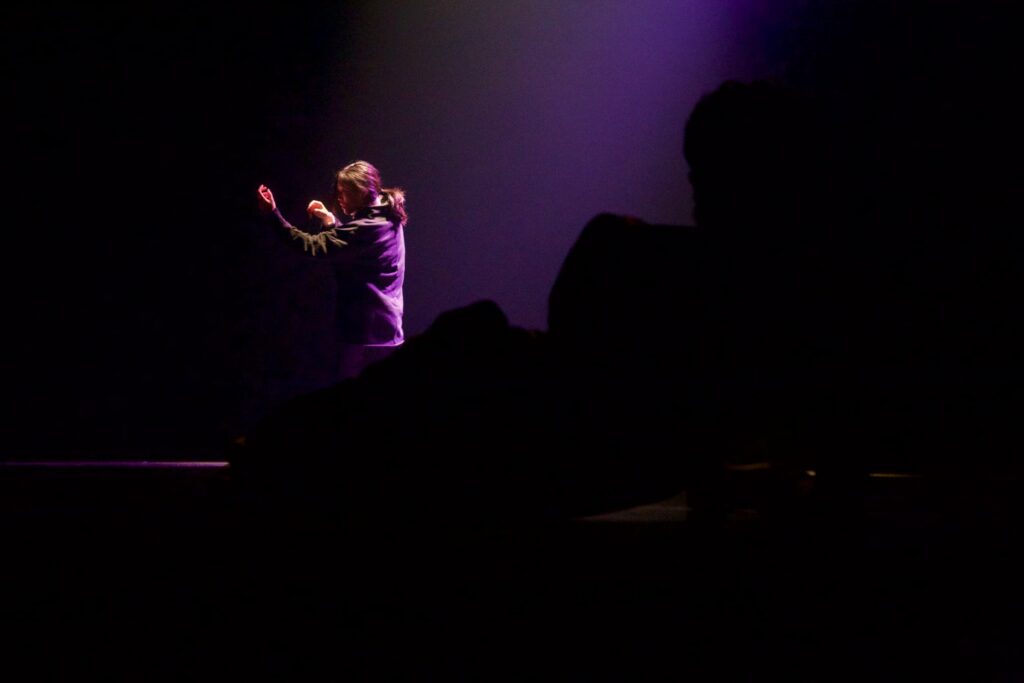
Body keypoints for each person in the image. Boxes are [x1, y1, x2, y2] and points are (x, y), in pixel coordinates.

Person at [258, 161, 407, 381]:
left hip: (364, 338)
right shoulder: (388, 216)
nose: (339, 199)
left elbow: (311, 245)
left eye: (343, 193)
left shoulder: (368, 228)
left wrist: (273, 214)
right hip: (388, 333)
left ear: (361, 192)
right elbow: (354, 250)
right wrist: (330, 221)